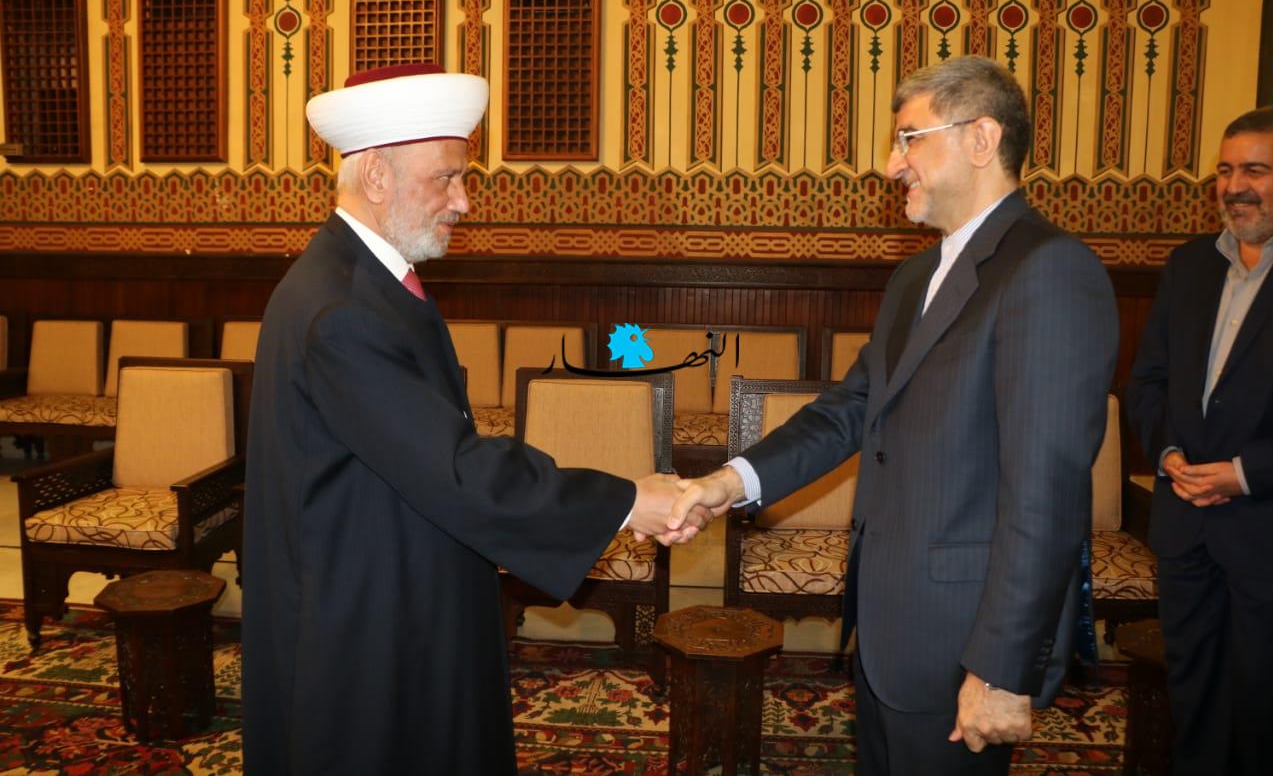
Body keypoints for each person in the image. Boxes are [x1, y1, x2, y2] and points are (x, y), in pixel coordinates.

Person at [241, 63, 703, 774]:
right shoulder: (342, 309)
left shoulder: (362, 279)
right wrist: (626, 499)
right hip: (361, 626)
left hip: (392, 586)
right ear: (376, 176)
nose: (463, 201)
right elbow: (453, 466)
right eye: (447, 178)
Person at [666, 55, 1118, 775]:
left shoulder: (1050, 270)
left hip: (965, 642)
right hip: (889, 630)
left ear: (981, 139)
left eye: (910, 138)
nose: (890, 164)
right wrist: (727, 483)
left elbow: (1048, 493)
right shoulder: (916, 276)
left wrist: (1002, 669)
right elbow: (849, 410)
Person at [1125, 106, 1273, 776]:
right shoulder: (1189, 266)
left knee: (1263, 715)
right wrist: (1169, 456)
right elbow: (1147, 382)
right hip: (1185, 530)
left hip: (1267, 533)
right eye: (1225, 170)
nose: (1235, 186)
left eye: (1256, 170)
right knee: (1193, 707)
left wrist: (1242, 474)